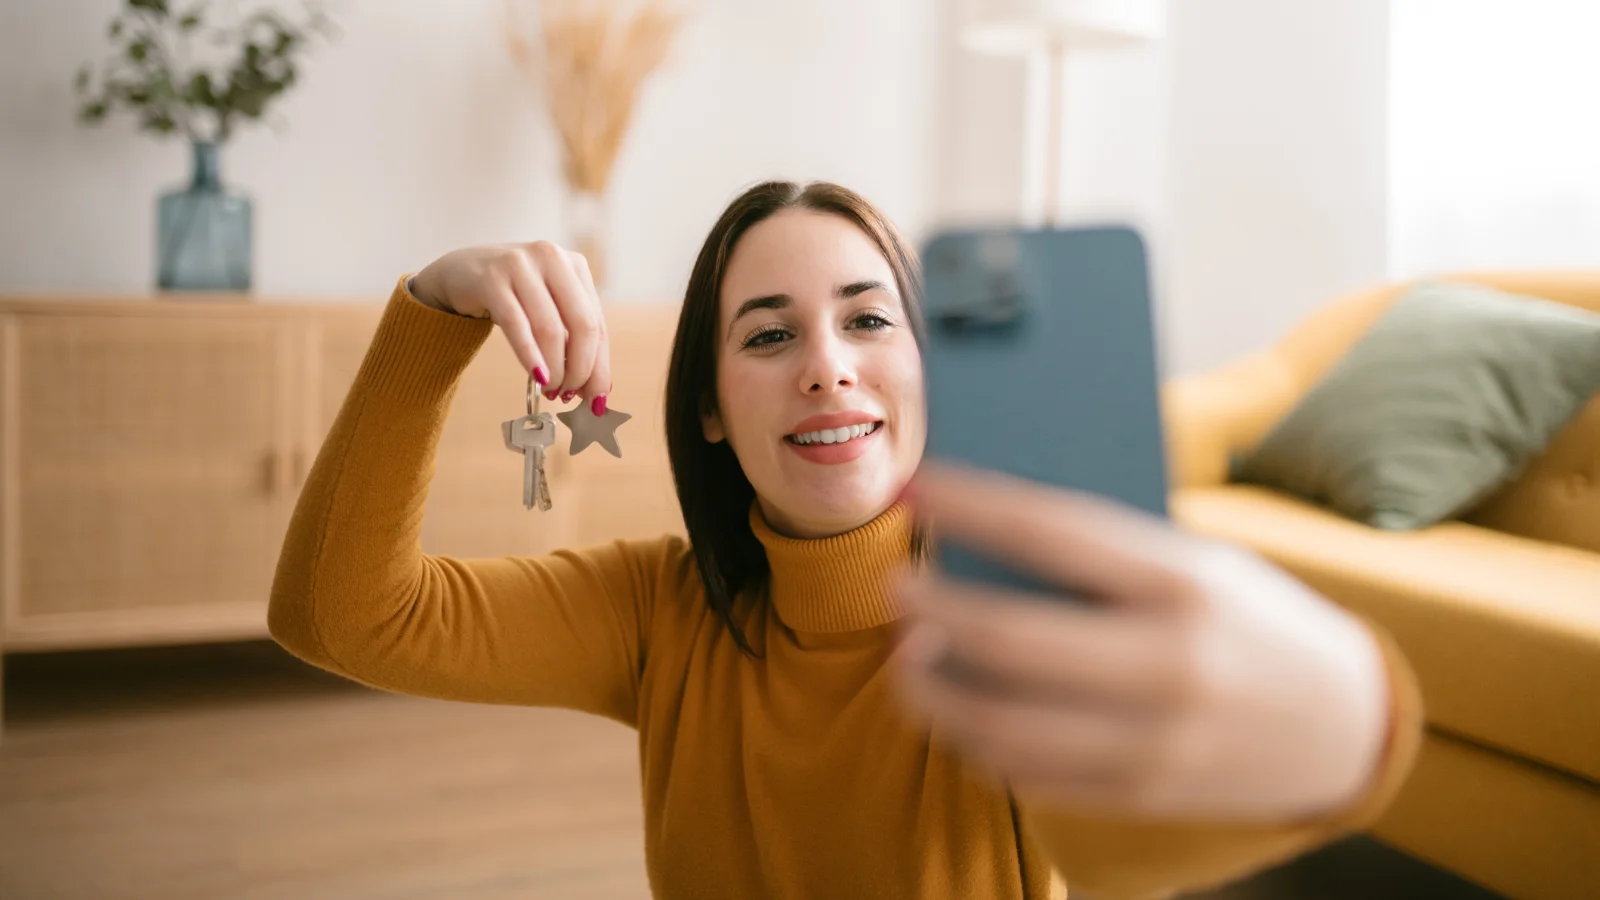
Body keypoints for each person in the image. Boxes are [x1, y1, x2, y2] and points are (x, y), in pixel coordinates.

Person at [269, 181, 1422, 899]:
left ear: (932, 368)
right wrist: (435, 306)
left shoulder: (1012, 616)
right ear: (710, 408)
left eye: (870, 319)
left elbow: (1123, 856)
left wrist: (1354, 726)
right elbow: (342, 614)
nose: (827, 363)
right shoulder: (658, 617)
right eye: (768, 335)